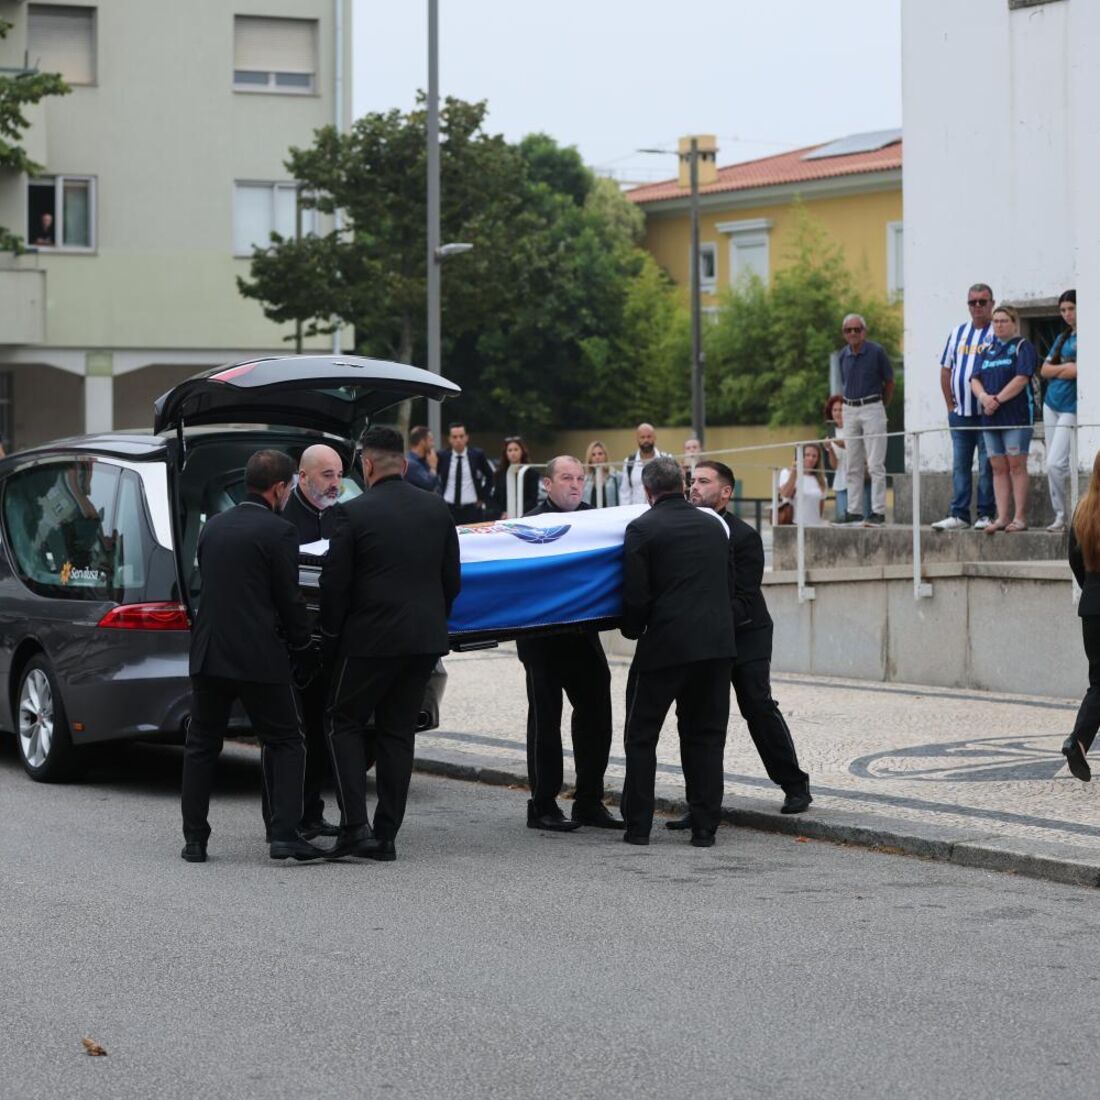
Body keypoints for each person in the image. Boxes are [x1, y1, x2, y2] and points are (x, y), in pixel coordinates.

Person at [322, 426, 461, 862]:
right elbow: (451, 581)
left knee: (341, 721)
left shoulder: (352, 514)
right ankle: (385, 836)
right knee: (398, 733)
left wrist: (329, 638)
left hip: (368, 641)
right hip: (423, 641)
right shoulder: (437, 510)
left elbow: (335, 586)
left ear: (365, 465)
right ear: (403, 464)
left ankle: (354, 825)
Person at [180, 450, 323, 863]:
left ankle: (195, 840)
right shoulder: (279, 532)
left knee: (202, 744)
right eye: (289, 489)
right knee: (286, 741)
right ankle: (284, 834)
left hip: (209, 653)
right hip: (259, 655)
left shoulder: (213, 528)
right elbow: (288, 599)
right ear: (279, 488)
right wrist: (303, 647)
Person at [678, 460, 812, 817]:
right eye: (692, 480)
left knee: (757, 705)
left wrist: (708, 624)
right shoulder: (683, 531)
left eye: (703, 482)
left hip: (746, 633)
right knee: (703, 716)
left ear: (725, 492)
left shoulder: (744, 536)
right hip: (705, 637)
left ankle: (795, 785)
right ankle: (701, 805)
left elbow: (745, 596)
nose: (694, 487)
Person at [620, 457, 736, 847]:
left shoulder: (642, 529)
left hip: (666, 647)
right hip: (716, 647)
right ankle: (705, 827)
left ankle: (638, 826)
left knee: (641, 735)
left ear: (648, 492)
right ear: (683, 485)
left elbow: (636, 596)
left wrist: (633, 630)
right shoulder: (713, 526)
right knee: (706, 736)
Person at [516, 456, 620, 832]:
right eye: (566, 478)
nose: (575, 485)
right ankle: (542, 803)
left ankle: (589, 800)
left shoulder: (597, 521)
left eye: (580, 478)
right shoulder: (528, 524)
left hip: (582, 636)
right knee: (545, 719)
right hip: (540, 638)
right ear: (547, 484)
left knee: (597, 713)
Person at [271, 443, 345, 841]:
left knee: (320, 729)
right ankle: (284, 817)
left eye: (339, 475)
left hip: (329, 642)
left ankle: (313, 811)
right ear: (303, 477)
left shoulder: (342, 517)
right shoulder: (284, 520)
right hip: (290, 642)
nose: (336, 484)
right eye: (327, 476)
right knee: (289, 733)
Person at [932, 285, 997, 531]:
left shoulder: (996, 331)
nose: (977, 307)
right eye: (972, 302)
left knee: (987, 466)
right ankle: (959, 514)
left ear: (992, 303)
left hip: (987, 414)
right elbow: (946, 370)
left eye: (982, 301)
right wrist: (950, 406)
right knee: (960, 465)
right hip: (960, 415)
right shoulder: (958, 332)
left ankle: (985, 514)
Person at [970, 305, 1037, 534]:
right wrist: (983, 397)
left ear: (1014, 323)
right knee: (997, 468)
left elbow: (1022, 379)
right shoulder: (986, 350)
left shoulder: (1022, 347)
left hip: (1015, 418)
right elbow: (974, 379)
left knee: (1016, 466)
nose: (999, 324)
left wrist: (996, 399)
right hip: (990, 419)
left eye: (1003, 321)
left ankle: (1019, 518)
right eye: (996, 321)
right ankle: (1001, 517)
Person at [837, 313, 894, 526]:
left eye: (857, 329)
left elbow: (889, 381)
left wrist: (880, 404)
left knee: (875, 463)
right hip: (849, 407)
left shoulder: (876, 352)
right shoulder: (843, 355)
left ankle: (878, 511)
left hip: (872, 406)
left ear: (864, 331)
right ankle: (854, 510)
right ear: (844, 334)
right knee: (852, 463)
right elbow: (844, 382)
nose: (853, 333)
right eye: (848, 330)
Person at [1064, 451, 1100, 783]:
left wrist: (1091, 590)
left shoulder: (1083, 511)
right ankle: (1076, 741)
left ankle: (1078, 742)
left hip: (1091, 608)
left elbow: (1074, 559)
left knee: (1098, 683)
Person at [1041, 290, 1078, 533]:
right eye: (1063, 310)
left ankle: (1073, 514)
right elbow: (1044, 370)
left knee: (1057, 464)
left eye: (1071, 309)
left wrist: (1061, 369)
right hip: (1050, 403)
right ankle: (1060, 516)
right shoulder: (1063, 337)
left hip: (1071, 407)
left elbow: (1080, 372)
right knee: (1051, 463)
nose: (1067, 314)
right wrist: (1066, 367)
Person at [823, 394, 871, 523]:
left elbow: (863, 454)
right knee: (843, 522)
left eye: (841, 409)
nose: (838, 413)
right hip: (841, 482)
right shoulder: (831, 433)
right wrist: (831, 449)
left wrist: (844, 445)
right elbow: (834, 466)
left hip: (859, 481)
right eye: (835, 410)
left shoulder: (857, 429)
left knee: (862, 521)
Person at [437, 421, 495, 524]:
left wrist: (482, 497)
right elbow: (435, 477)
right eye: (454, 437)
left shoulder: (477, 455)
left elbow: (490, 476)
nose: (458, 440)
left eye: (461, 436)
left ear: (467, 437)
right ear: (449, 439)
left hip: (472, 509)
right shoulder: (442, 456)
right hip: (449, 508)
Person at [619, 423, 669, 506]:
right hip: (635, 513)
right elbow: (625, 493)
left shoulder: (666, 460)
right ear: (637, 439)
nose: (646, 440)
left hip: (660, 510)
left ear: (655, 438)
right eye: (642, 437)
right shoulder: (629, 462)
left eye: (649, 436)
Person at [777, 443, 827, 526]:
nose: (810, 458)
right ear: (800, 456)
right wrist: (794, 472)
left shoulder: (822, 480)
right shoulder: (786, 473)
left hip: (814, 525)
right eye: (807, 455)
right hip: (793, 524)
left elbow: (820, 507)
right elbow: (785, 494)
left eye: (814, 456)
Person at [492, 436, 540, 518]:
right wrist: (502, 513)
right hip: (504, 517)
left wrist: (516, 513)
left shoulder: (531, 473)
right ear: (506, 453)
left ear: (522, 451)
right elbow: (496, 499)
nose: (513, 453)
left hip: (525, 516)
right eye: (509, 450)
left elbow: (532, 500)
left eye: (516, 449)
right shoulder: (499, 474)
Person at [582, 440, 619, 508]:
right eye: (593, 455)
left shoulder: (616, 476)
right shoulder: (585, 480)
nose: (597, 457)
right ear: (590, 458)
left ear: (605, 456)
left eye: (600, 454)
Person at [405, 425, 440, 493]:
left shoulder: (425, 461)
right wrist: (433, 468)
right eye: (431, 440)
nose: (433, 444)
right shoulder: (411, 464)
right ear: (422, 442)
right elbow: (430, 486)